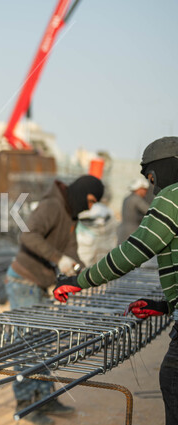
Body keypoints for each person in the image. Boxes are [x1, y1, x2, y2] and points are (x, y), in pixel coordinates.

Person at [54, 136, 178, 425]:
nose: (151, 187)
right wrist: (165, 306)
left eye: (151, 178)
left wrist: (80, 281)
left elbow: (133, 251)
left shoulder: (173, 195)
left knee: (173, 377)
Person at [5, 174, 104, 425]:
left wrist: (77, 269)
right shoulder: (52, 205)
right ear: (81, 193)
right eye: (90, 201)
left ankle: (46, 398)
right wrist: (57, 259)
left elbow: (71, 250)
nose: (90, 207)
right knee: (28, 346)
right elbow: (27, 236)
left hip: (41, 285)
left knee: (44, 345)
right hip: (23, 282)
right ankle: (27, 405)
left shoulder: (70, 213)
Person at [117, 177, 150, 243]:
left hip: (122, 230)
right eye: (144, 190)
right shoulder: (137, 199)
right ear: (140, 189)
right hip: (132, 232)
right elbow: (149, 211)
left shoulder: (127, 198)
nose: (145, 192)